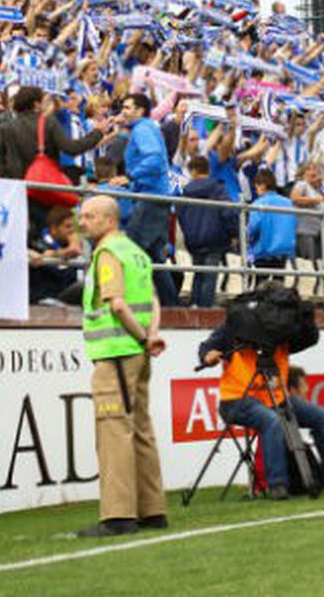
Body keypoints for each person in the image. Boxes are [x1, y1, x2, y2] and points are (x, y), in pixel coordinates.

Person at [199, 312, 324, 500]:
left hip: (277, 399)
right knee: (272, 421)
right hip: (237, 399)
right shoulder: (237, 324)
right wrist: (208, 356)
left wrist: (303, 316)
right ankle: (277, 485)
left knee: (321, 416)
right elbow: (206, 347)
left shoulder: (283, 326)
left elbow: (309, 337)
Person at [77, 195, 167, 537]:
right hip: (138, 354)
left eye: (90, 216)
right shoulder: (137, 253)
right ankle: (152, 510)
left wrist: (143, 339)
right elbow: (154, 301)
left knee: (113, 431)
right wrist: (151, 336)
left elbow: (116, 304)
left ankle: (118, 515)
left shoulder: (107, 253)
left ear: (109, 220)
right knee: (142, 429)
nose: (82, 222)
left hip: (116, 352)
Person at [112, 93, 178, 306]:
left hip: (150, 198)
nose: (123, 111)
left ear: (140, 110)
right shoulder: (146, 127)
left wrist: (130, 176)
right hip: (155, 196)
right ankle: (171, 306)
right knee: (153, 257)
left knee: (131, 249)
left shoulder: (142, 129)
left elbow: (154, 158)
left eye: (127, 108)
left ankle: (124, 300)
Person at [175, 155, 236, 308]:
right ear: (207, 170)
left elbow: (180, 215)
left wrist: (189, 232)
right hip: (215, 239)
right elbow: (229, 212)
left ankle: (195, 305)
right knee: (210, 276)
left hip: (194, 240)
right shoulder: (218, 188)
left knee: (198, 274)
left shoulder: (185, 192)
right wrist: (233, 233)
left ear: (193, 171)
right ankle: (206, 309)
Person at [248, 168, 297, 284]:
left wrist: (247, 240)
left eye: (256, 187)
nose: (256, 190)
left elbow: (253, 228)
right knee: (279, 285)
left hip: (263, 250)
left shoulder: (258, 203)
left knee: (261, 285)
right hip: (283, 250)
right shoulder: (288, 203)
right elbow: (294, 224)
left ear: (262, 185)